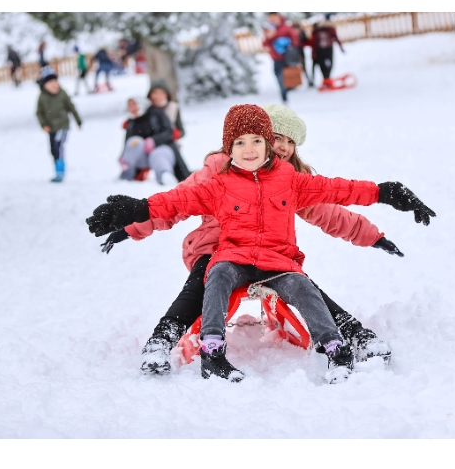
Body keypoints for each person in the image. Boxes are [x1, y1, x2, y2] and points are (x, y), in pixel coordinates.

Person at [85, 105, 436, 383]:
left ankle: (351, 333)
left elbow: (332, 208)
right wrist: (132, 224)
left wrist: (373, 235)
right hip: (216, 247)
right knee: (203, 280)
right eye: (277, 136)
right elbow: (176, 201)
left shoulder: (288, 179)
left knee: (303, 284)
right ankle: (162, 342)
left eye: (288, 142)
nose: (281, 146)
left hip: (270, 254)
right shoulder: (221, 169)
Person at [118, 95, 190, 185]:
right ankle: (127, 174)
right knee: (135, 141)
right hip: (143, 157)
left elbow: (168, 131)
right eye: (129, 105)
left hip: (162, 149)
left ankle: (164, 175)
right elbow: (128, 144)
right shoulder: (131, 123)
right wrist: (123, 156)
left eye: (134, 104)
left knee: (157, 155)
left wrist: (154, 141)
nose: (132, 107)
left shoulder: (156, 113)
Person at [35, 69, 82, 183]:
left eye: (55, 82)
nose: (54, 85)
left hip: (62, 125)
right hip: (51, 127)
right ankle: (57, 170)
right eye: (50, 83)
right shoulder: (42, 96)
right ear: (45, 85)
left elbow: (71, 107)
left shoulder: (62, 93)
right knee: (52, 149)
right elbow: (39, 112)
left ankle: (61, 172)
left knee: (59, 147)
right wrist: (43, 125)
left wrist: (78, 121)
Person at [263, 13, 299, 103]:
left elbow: (295, 40)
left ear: (278, 17)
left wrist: (287, 44)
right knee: (277, 75)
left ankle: (285, 95)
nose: (272, 19)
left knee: (284, 76)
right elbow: (265, 43)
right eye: (270, 18)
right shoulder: (269, 29)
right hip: (276, 58)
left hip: (286, 57)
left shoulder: (286, 27)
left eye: (274, 17)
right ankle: (284, 91)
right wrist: (270, 36)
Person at [309, 14, 345, 89]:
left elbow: (314, 41)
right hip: (327, 49)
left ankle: (326, 79)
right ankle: (327, 79)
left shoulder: (319, 29)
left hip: (320, 50)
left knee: (323, 65)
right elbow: (335, 37)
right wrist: (341, 47)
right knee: (328, 64)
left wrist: (314, 51)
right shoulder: (329, 28)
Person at [292, 22, 314, 87]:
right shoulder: (291, 33)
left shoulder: (302, 32)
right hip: (293, 52)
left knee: (303, 67)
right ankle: (294, 83)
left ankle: (309, 80)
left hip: (300, 51)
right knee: (294, 67)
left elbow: (305, 40)